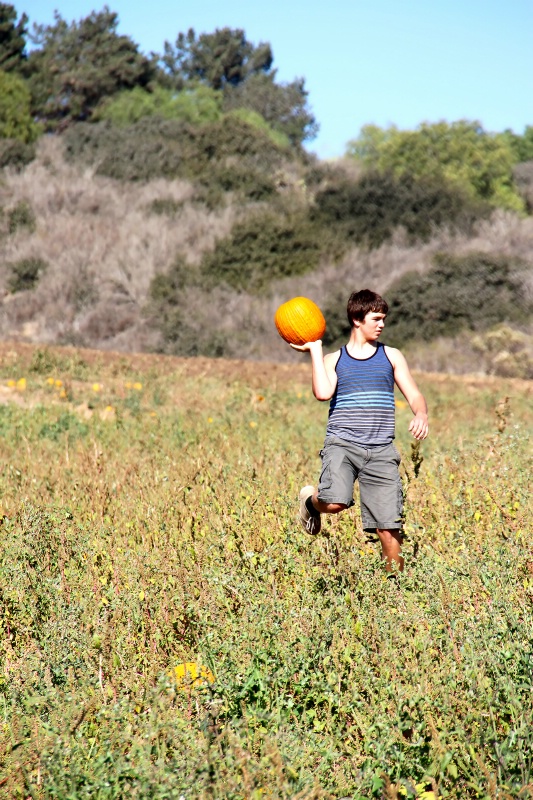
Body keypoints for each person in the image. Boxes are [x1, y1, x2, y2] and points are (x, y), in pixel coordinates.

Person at [292, 289, 428, 573]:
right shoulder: (334, 359)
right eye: (376, 318)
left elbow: (414, 394)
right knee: (335, 502)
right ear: (357, 318)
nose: (382, 324)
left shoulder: (391, 356)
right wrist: (315, 351)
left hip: (381, 450)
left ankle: (395, 595)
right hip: (342, 444)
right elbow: (322, 392)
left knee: (389, 530)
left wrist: (421, 413)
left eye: (384, 319)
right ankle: (310, 502)